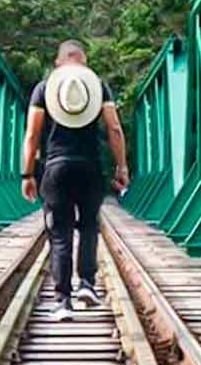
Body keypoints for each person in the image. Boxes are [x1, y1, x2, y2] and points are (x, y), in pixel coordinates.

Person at [21, 40, 129, 311]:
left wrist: (27, 174)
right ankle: (87, 285)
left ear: (58, 62)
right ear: (84, 59)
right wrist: (121, 167)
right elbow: (114, 129)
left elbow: (32, 134)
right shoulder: (97, 86)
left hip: (56, 168)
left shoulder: (44, 88)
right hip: (91, 168)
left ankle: (63, 300)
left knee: (60, 233)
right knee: (90, 227)